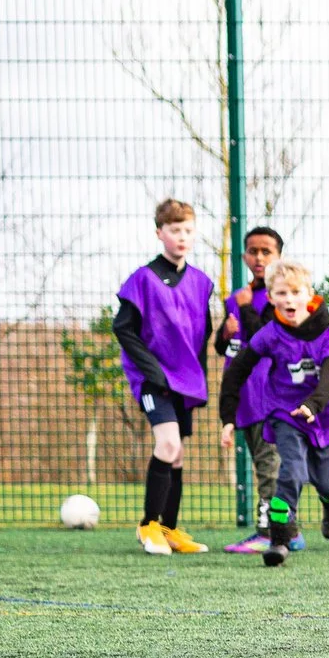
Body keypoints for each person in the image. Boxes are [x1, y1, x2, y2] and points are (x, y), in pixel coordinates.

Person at [218, 261, 329, 568]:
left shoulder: (327, 333)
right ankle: (279, 540)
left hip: (326, 413)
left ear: (309, 294)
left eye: (296, 292)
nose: (289, 299)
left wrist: (313, 404)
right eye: (282, 292)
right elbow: (237, 370)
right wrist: (227, 418)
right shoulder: (270, 334)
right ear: (271, 297)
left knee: (327, 484)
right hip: (285, 412)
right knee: (291, 472)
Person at [112, 198, 215, 555]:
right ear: (160, 233)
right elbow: (122, 328)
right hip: (152, 379)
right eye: (174, 230)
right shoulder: (142, 279)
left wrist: (198, 379)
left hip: (185, 381)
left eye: (188, 230)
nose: (182, 236)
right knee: (167, 444)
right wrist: (152, 371)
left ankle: (169, 529)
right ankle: (148, 525)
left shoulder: (201, 282)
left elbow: (203, 334)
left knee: (178, 454)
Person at [218, 226, 287, 554]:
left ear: (278, 256)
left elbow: (268, 341)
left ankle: (272, 531)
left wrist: (245, 310)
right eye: (253, 251)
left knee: (269, 463)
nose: (259, 258)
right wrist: (225, 332)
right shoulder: (237, 296)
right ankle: (282, 529)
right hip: (243, 395)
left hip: (270, 395)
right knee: (264, 462)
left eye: (266, 251)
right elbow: (228, 346)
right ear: (244, 255)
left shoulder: (283, 296)